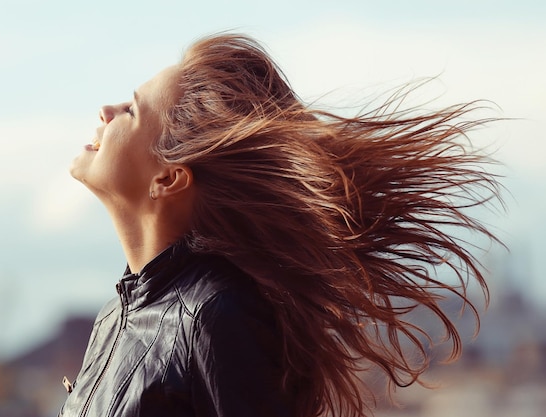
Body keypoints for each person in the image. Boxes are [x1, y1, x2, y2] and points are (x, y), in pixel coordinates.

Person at [59, 33, 502, 417]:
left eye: (131, 111)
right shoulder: (115, 316)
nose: (105, 110)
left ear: (169, 178)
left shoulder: (218, 315)